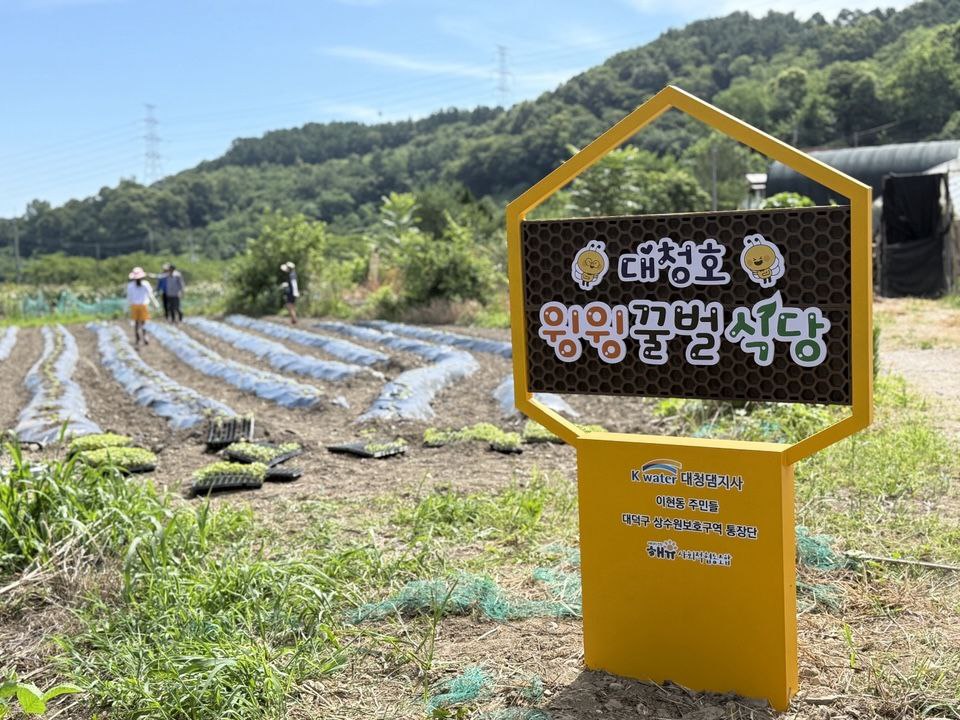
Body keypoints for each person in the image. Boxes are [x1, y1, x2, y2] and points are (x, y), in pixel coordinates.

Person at [126, 267, 160, 347]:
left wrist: (127, 307)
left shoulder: (131, 285)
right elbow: (150, 295)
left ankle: (138, 338)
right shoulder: (145, 284)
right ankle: (144, 336)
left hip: (136, 306)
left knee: (137, 323)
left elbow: (129, 298)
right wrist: (155, 304)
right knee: (143, 322)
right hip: (142, 306)